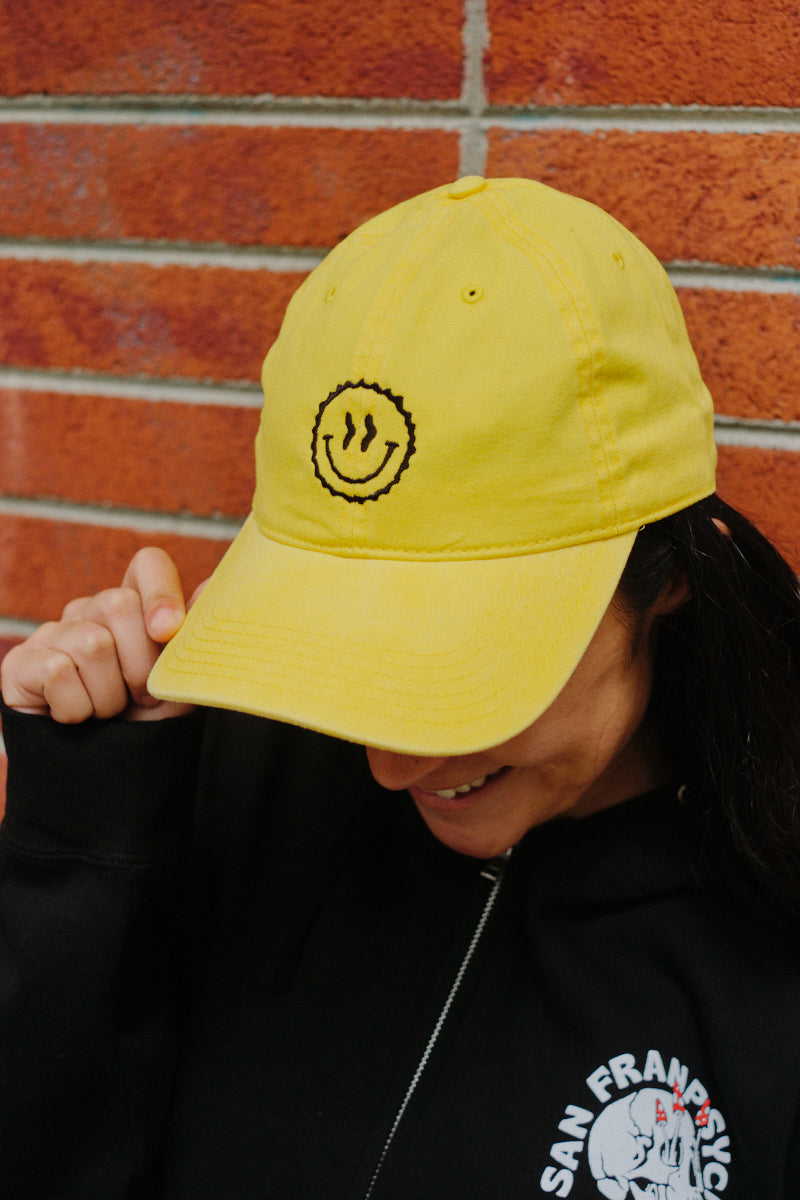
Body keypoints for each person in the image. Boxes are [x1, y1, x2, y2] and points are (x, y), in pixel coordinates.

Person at [1, 176, 798, 1200]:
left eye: (469, 662)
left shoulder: (761, 955)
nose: (391, 763)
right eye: (350, 635)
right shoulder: (228, 801)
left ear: (666, 571)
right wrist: (86, 849)